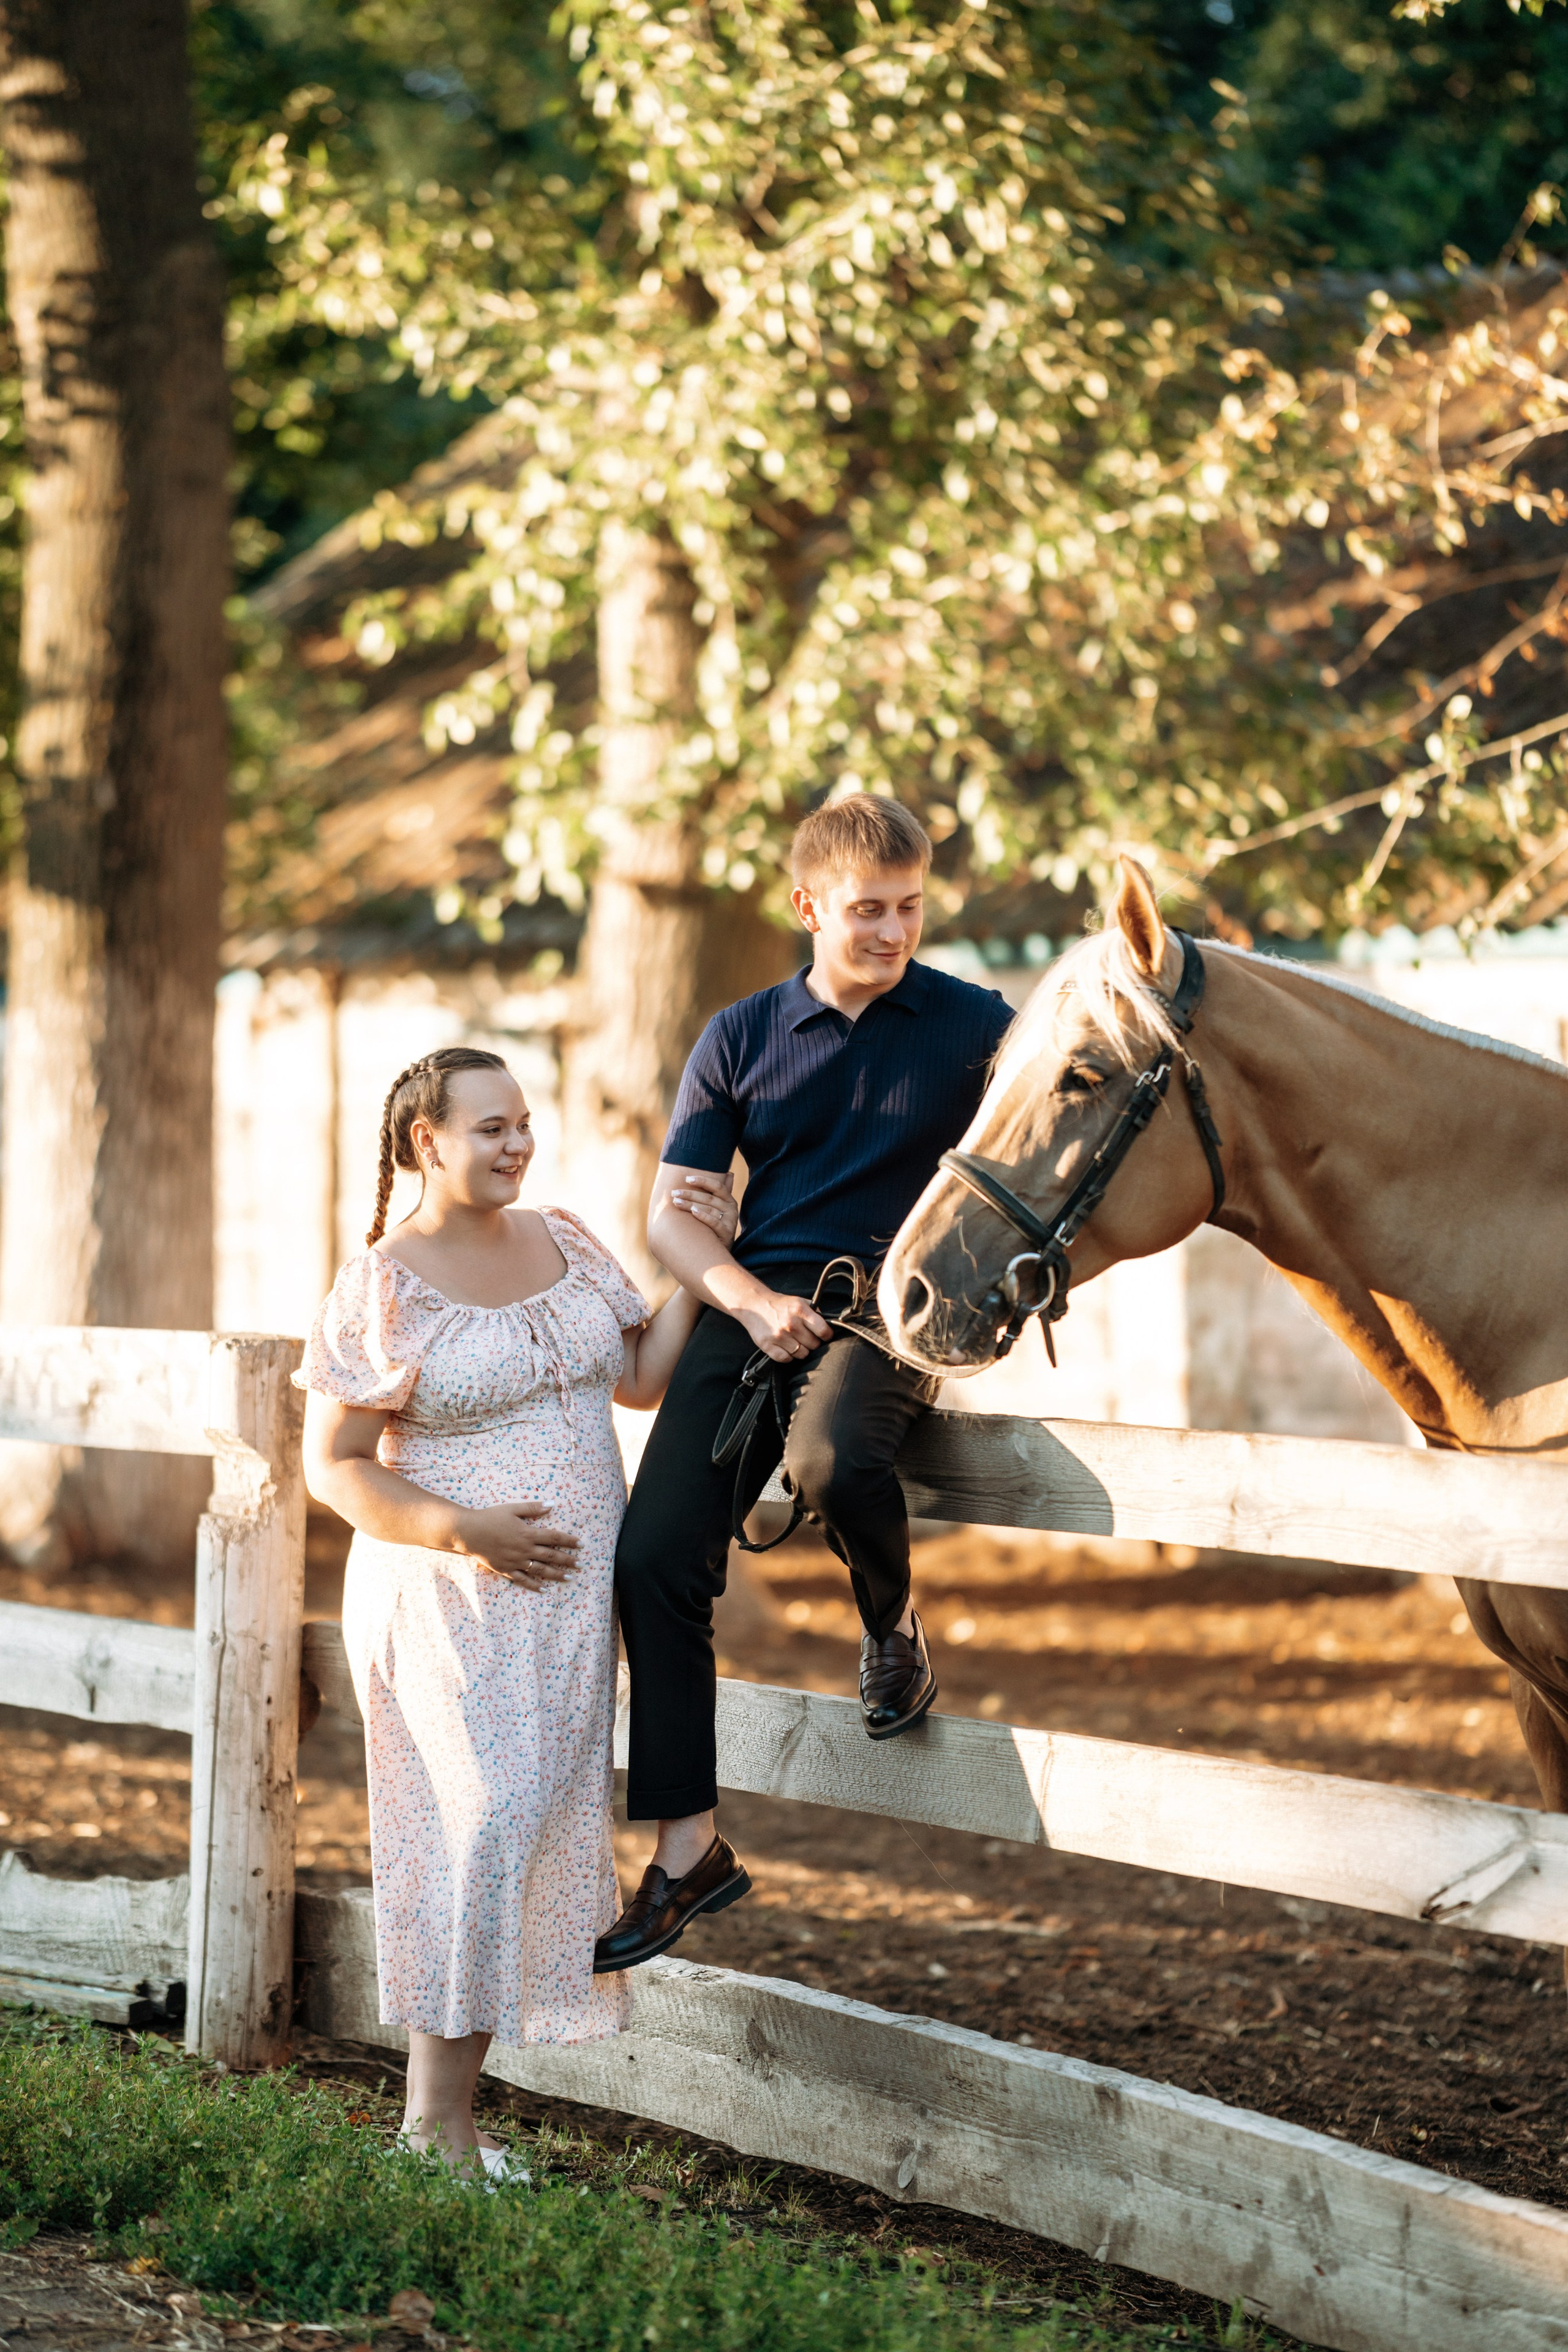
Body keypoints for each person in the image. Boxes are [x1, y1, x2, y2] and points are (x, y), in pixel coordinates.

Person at [296, 1044, 737, 2174]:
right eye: (490, 1127)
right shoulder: (384, 1283)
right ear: (425, 1142)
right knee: (480, 1827)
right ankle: (431, 2132)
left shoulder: (566, 1239)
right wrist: (463, 1528)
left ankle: (443, 2127)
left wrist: (701, 1271)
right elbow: (336, 1467)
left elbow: (636, 1377)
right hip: (447, 1601)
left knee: (531, 1832)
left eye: (524, 1123)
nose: (517, 1144)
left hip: (567, 1611)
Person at [597, 796, 1015, 1974]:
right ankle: (691, 1852)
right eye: (870, 910)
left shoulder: (978, 1026)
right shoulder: (740, 1035)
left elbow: (1056, 1130)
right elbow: (675, 1222)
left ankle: (891, 1624)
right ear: (809, 907)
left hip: (898, 1308)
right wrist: (747, 1302)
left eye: (912, 908)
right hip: (757, 1306)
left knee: (832, 1459)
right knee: (654, 1559)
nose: (893, 931)